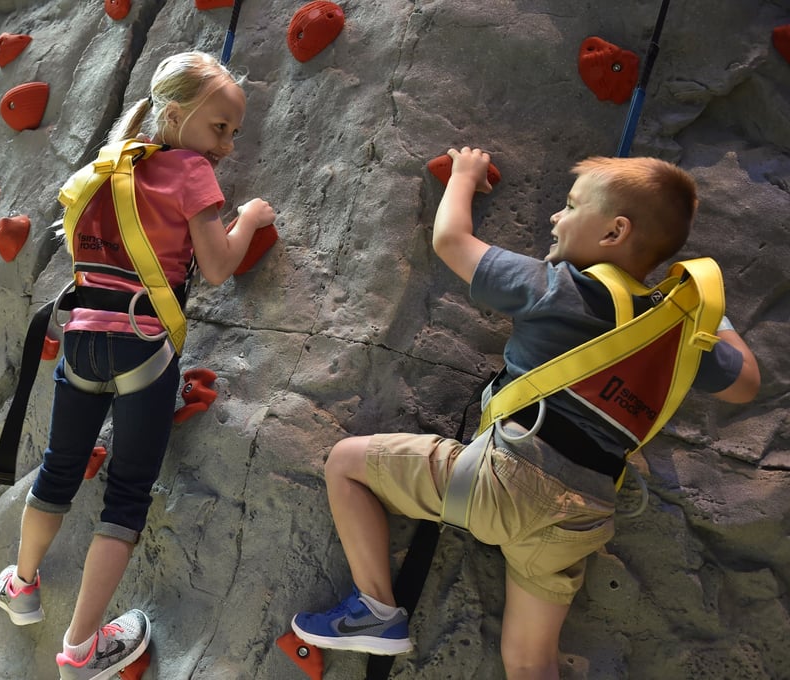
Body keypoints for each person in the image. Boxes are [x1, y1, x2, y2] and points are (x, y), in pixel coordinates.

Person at [291, 148, 760, 679]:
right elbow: (746, 383)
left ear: (613, 233)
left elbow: (451, 241)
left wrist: (465, 176)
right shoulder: (673, 340)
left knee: (345, 462)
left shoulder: (557, 287)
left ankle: (375, 610)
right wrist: (703, 315)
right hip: (581, 517)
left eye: (569, 205)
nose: (555, 219)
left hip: (505, 484)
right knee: (531, 661)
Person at [0, 51, 276, 680]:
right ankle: (80, 648)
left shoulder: (104, 168)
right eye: (219, 127)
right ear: (176, 116)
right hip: (143, 346)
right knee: (125, 495)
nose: (226, 144)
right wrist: (250, 216)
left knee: (59, 469)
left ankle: (24, 584)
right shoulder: (192, 171)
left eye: (233, 131)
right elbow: (219, 265)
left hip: (82, 337)